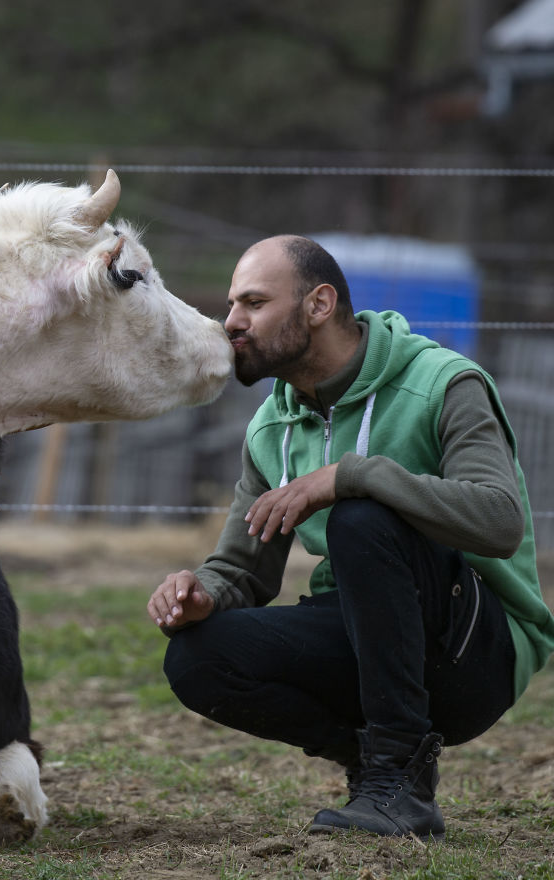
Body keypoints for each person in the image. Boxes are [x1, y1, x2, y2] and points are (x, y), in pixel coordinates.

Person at [147, 235, 554, 841]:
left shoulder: (443, 383)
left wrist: (353, 476)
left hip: (476, 652)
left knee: (362, 517)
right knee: (196, 656)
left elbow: (499, 522)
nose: (231, 321)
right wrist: (201, 593)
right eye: (233, 304)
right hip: (371, 646)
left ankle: (399, 778)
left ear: (318, 304)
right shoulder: (271, 427)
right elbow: (242, 570)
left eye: (254, 303)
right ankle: (379, 765)